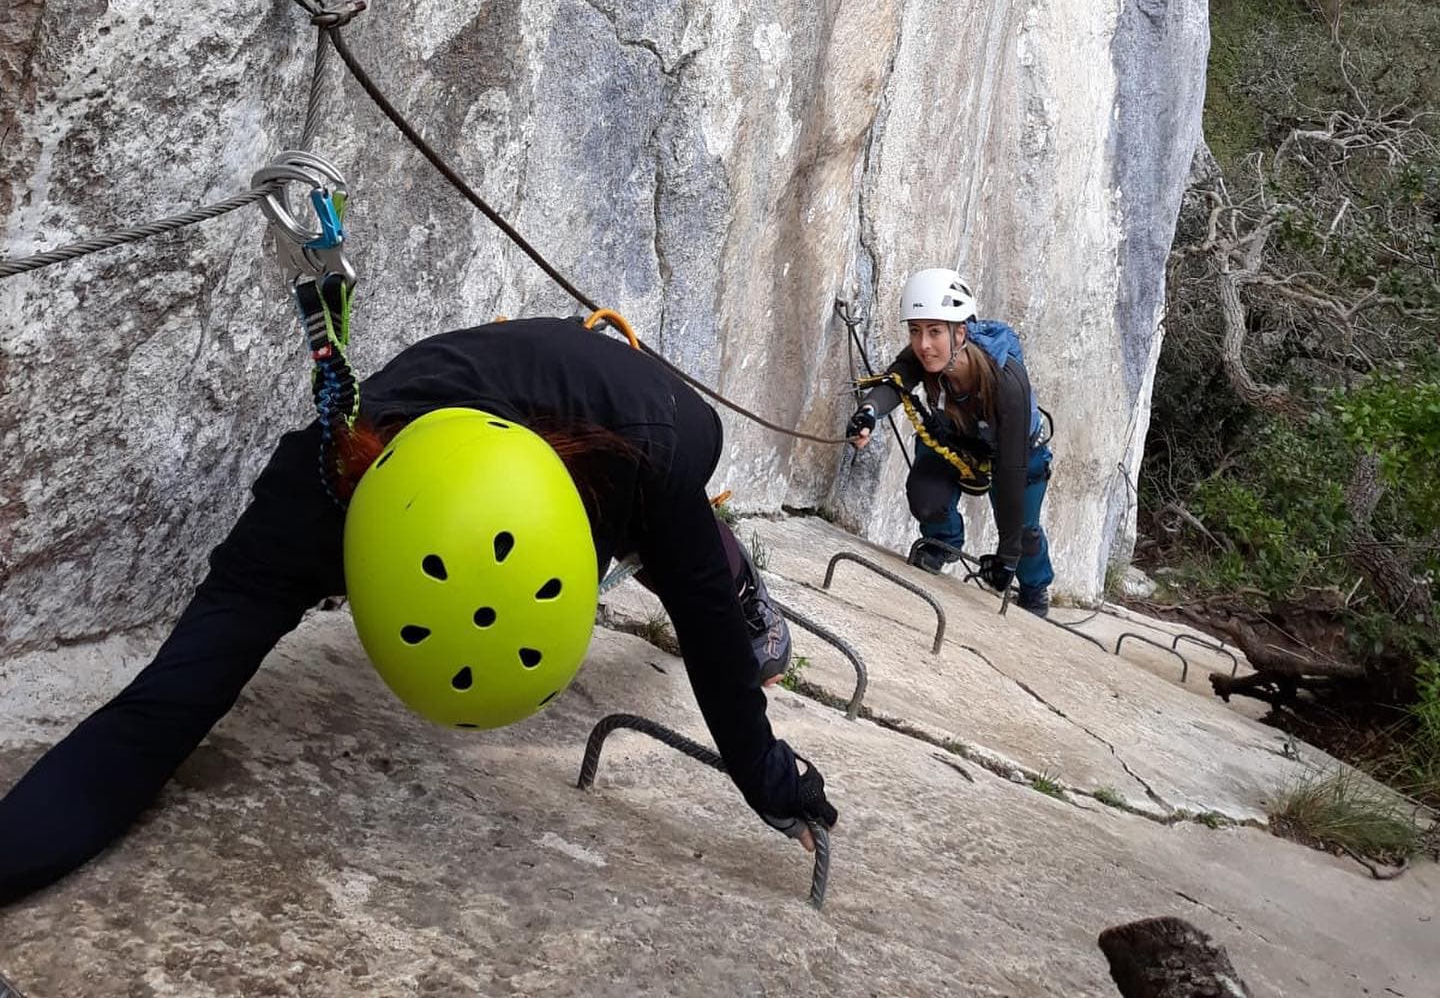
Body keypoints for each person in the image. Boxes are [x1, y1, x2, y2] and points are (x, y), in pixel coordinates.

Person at [0, 315, 834, 906]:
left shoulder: (660, 452)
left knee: (700, 575)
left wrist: (766, 776)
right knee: (173, 698)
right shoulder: (320, 496)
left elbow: (713, 641)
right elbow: (157, 712)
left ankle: (732, 570)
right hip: (416, 456)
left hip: (600, 447)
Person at [846, 267, 1054, 615]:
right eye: (915, 331)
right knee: (925, 495)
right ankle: (942, 542)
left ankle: (1035, 590)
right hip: (956, 441)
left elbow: (1011, 473)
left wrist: (1006, 557)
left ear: (960, 333)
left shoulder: (1007, 383)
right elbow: (897, 383)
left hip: (1018, 451)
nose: (923, 345)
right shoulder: (925, 355)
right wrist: (868, 411)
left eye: (934, 332)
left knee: (1023, 531)